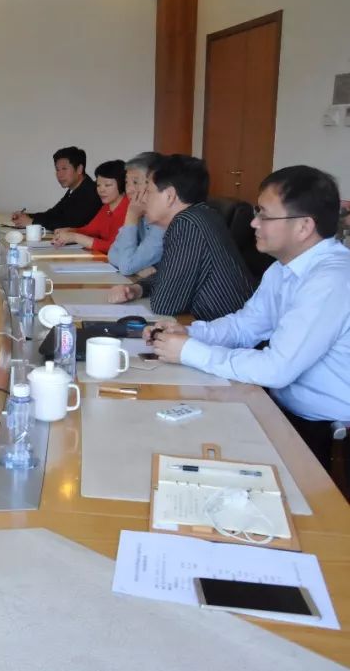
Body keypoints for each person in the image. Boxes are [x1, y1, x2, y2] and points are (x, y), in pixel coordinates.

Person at [146, 166, 350, 468]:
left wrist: (190, 352)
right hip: (280, 408)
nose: (254, 223)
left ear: (304, 226)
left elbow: (277, 368)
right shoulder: (282, 268)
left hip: (325, 433)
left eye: (264, 215)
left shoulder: (331, 279)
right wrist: (190, 334)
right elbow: (245, 325)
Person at [107, 155, 255, 321]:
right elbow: (169, 274)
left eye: (148, 191)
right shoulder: (198, 215)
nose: (143, 199)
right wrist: (138, 289)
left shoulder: (187, 224)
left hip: (227, 332)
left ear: (170, 196)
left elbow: (165, 304)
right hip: (210, 326)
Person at [11, 146, 101, 230]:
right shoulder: (74, 190)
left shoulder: (91, 192)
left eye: (64, 169)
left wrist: (32, 222)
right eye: (57, 170)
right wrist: (27, 216)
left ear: (79, 169)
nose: (59, 175)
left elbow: (72, 224)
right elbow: (53, 214)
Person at [50, 160, 129, 253]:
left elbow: (114, 247)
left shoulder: (128, 209)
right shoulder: (107, 207)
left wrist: (74, 237)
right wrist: (70, 230)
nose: (101, 190)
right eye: (98, 185)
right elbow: (89, 231)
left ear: (122, 184)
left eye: (107, 185)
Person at [107, 152, 165, 276]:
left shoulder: (162, 221)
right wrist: (138, 269)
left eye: (135, 182)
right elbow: (112, 253)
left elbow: (126, 267)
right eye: (127, 182)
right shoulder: (140, 213)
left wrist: (131, 217)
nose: (129, 190)